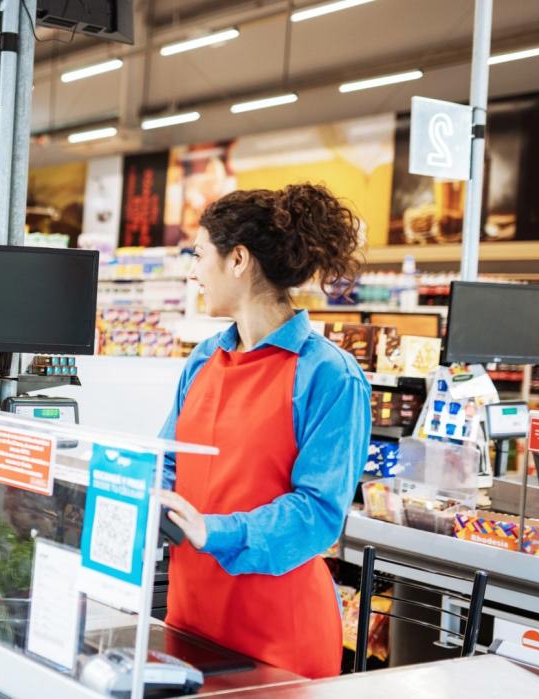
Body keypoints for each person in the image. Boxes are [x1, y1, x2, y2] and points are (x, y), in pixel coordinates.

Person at [155, 184, 371, 679]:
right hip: (191, 619)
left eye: (198, 254)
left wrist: (214, 530)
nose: (192, 272)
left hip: (279, 638)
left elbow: (317, 513)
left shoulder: (329, 375)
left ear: (238, 261)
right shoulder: (205, 357)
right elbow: (171, 461)